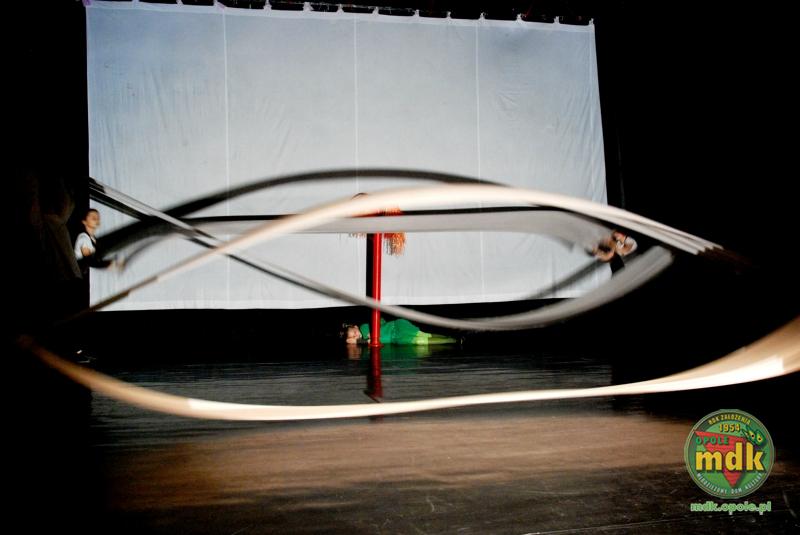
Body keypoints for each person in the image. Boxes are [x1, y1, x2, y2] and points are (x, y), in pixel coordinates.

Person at [342, 318, 458, 345]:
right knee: (422, 339)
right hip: (396, 337)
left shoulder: (363, 327)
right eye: (354, 336)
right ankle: (452, 339)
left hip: (397, 327)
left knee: (423, 336)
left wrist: (357, 342)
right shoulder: (364, 339)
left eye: (354, 332)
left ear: (356, 327)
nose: (356, 335)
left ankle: (452, 339)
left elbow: (370, 340)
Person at [74, 208, 118, 275]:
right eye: (94, 218)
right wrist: (109, 264)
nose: (97, 220)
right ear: (84, 221)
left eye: (98, 218)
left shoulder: (93, 239)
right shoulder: (84, 238)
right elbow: (89, 261)